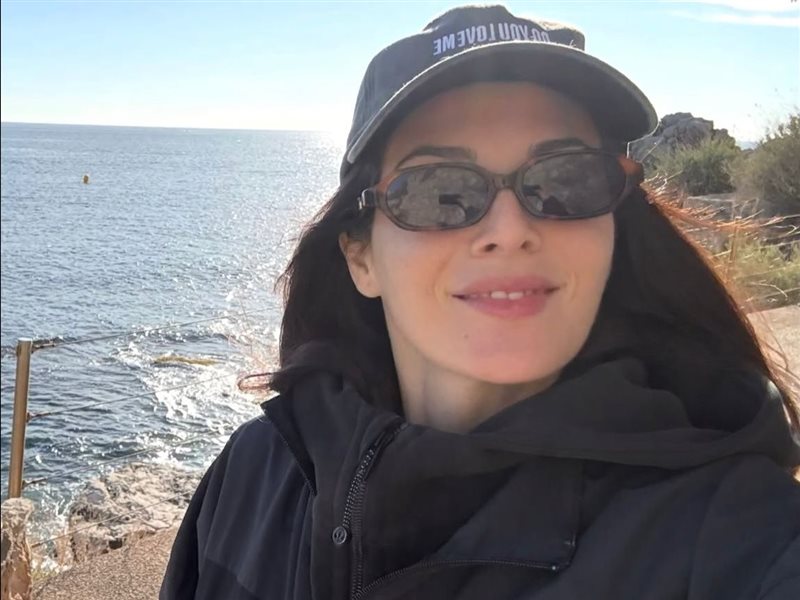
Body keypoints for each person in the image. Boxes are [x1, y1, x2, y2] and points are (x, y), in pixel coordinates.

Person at [160, 5, 800, 599]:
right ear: (360, 256)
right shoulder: (254, 477)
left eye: (566, 179)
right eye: (439, 190)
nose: (509, 229)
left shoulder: (732, 538)